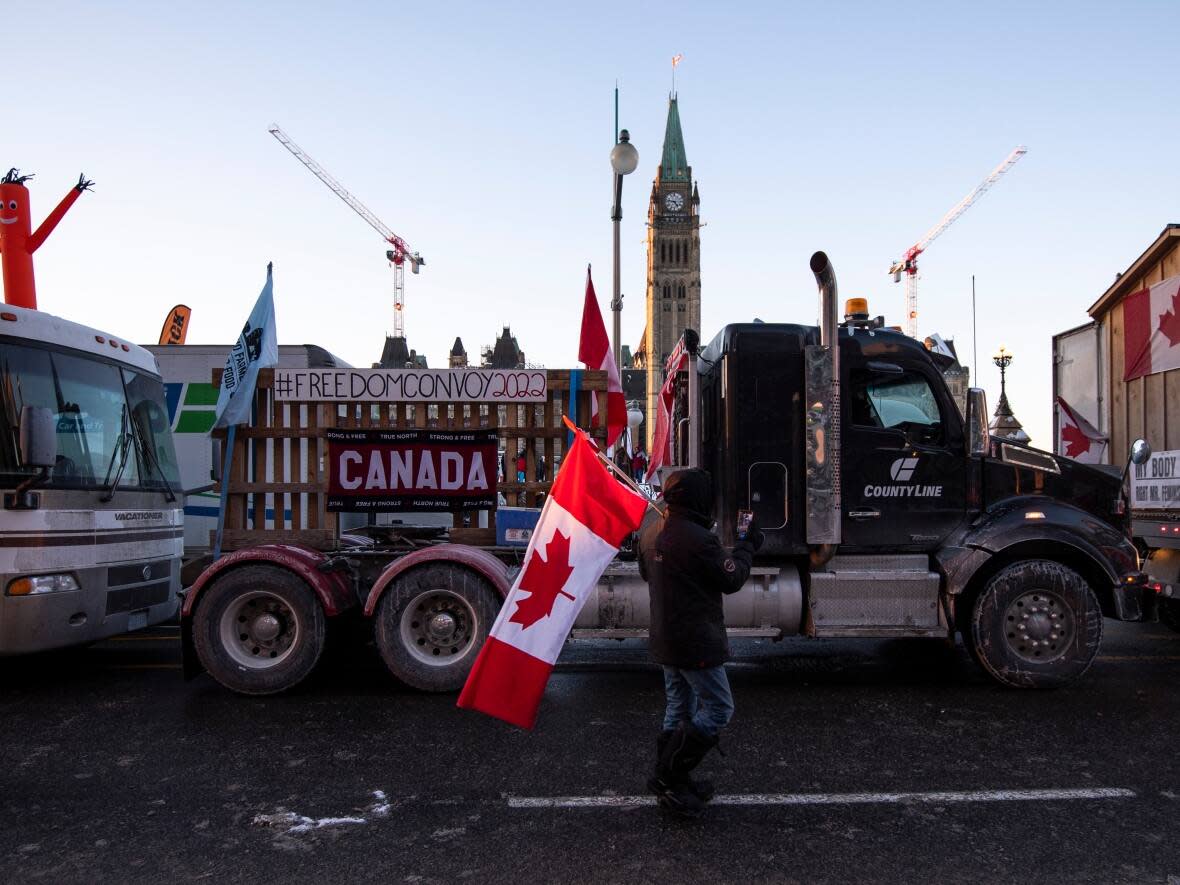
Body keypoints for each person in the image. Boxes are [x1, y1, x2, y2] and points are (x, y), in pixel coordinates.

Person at [637, 468, 763, 817]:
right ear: (696, 498)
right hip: (695, 641)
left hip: (666, 638)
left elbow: (647, 572)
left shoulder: (650, 532)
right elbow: (732, 578)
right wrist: (747, 545)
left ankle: (673, 780)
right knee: (720, 709)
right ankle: (669, 776)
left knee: (679, 708)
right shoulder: (700, 539)